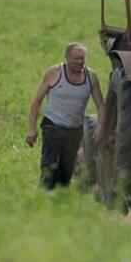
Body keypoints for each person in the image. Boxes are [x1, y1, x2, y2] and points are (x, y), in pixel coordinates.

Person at [26, 42, 105, 189]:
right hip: (53, 126)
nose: (80, 62)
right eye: (76, 59)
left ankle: (59, 201)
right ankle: (42, 199)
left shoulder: (91, 76)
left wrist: (100, 126)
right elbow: (37, 100)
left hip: (75, 130)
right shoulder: (55, 73)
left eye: (82, 58)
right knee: (49, 166)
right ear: (67, 58)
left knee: (66, 171)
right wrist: (31, 128)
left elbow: (101, 105)